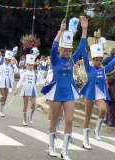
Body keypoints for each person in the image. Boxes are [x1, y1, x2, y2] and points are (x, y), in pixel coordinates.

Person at [40, 17, 88, 159]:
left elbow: (82, 46)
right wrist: (60, 31)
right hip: (56, 92)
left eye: (69, 50)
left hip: (68, 93)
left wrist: (84, 29)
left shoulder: (72, 59)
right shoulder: (55, 59)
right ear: (61, 49)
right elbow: (54, 45)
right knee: (54, 120)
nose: (67, 52)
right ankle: (51, 147)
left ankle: (65, 150)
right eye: (65, 50)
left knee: (69, 120)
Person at [80, 42, 115, 149]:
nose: (98, 62)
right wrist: (83, 43)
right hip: (90, 93)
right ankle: (85, 140)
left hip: (100, 94)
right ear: (92, 60)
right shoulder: (89, 68)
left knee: (103, 110)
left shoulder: (104, 69)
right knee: (87, 117)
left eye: (100, 60)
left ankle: (97, 129)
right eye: (96, 60)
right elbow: (84, 55)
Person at [14, 54, 44, 125]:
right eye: (29, 65)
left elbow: (39, 81)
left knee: (34, 103)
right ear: (27, 65)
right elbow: (21, 81)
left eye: (32, 65)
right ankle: (24, 119)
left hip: (32, 89)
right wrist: (17, 89)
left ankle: (30, 116)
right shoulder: (24, 73)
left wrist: (45, 82)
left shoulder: (35, 73)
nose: (30, 67)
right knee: (25, 104)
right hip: (25, 89)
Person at [0, 50, 18, 117]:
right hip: (1, 82)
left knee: (5, 97)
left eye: (9, 60)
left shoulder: (11, 67)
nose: (7, 61)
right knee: (3, 95)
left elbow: (16, 71)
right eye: (6, 60)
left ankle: (0, 107)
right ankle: (1, 111)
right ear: (4, 60)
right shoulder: (1, 67)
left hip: (7, 83)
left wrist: (13, 64)